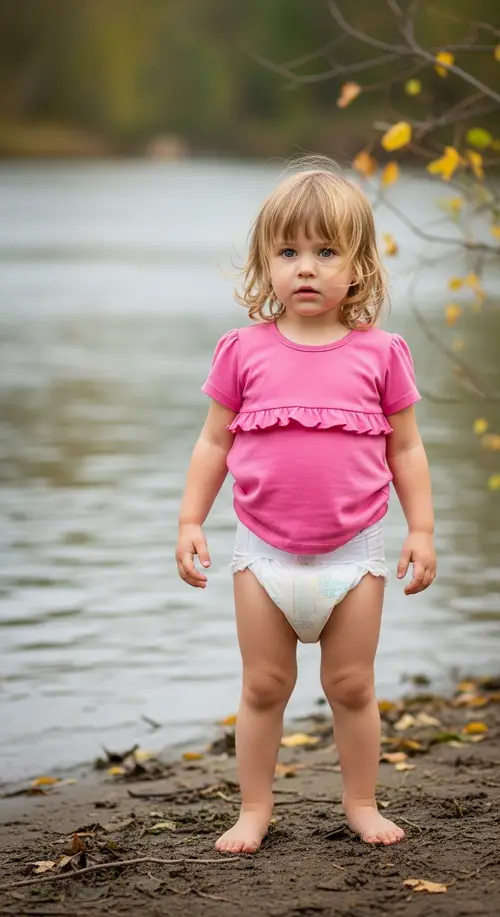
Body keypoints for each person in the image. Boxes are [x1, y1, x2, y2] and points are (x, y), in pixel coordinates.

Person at [175, 160, 436, 854]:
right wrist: (190, 519)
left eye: (326, 252)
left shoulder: (382, 353)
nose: (306, 268)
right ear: (265, 262)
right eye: (288, 251)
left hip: (355, 555)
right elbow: (213, 442)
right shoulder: (243, 350)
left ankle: (361, 802)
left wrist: (422, 528)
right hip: (262, 555)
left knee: (351, 685)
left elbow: (407, 450)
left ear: (359, 266)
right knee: (264, 685)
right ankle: (254, 808)